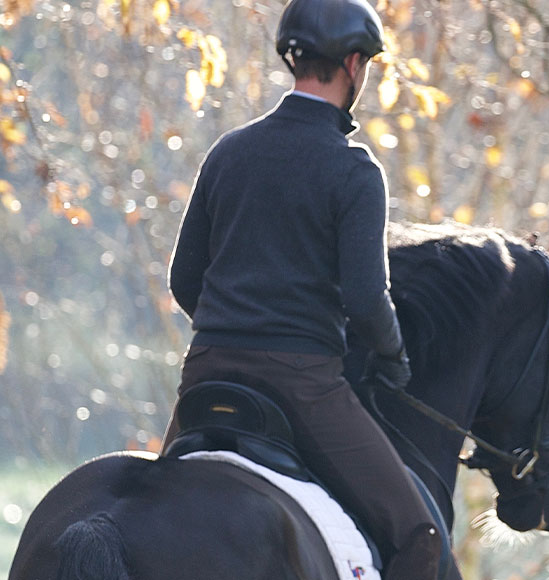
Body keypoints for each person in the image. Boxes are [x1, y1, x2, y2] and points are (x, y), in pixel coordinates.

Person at [161, 1, 458, 579]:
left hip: (205, 373)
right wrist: (394, 354)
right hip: (302, 385)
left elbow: (182, 280)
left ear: (294, 59)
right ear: (352, 63)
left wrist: (232, 330)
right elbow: (366, 299)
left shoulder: (228, 151)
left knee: (154, 485)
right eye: (366, 64)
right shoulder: (353, 170)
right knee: (419, 533)